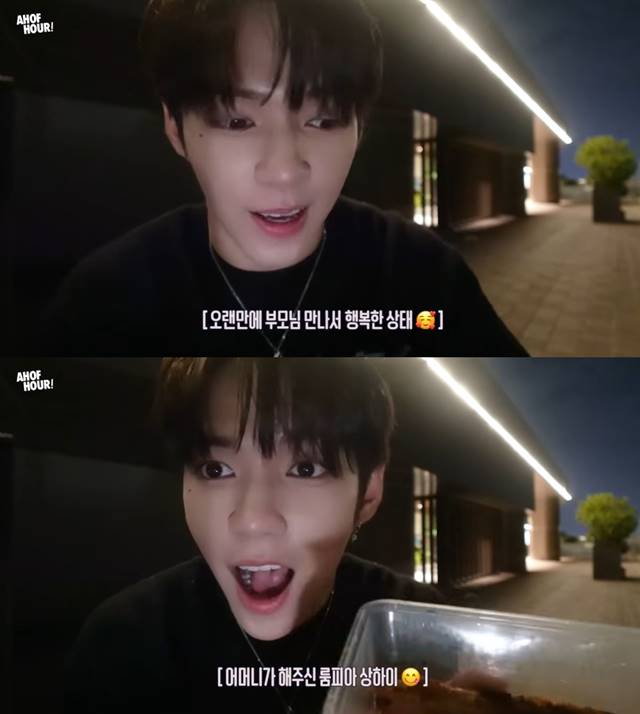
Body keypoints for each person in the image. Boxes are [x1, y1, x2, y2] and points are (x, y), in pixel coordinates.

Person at [39, 0, 526, 358]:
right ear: (175, 128)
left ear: (359, 129)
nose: (285, 169)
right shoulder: (106, 301)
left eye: (323, 119)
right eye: (237, 121)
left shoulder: (422, 276)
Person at [63, 357, 450, 714]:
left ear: (368, 493)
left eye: (306, 468)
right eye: (215, 469)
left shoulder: (417, 629)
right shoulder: (125, 644)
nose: (251, 520)